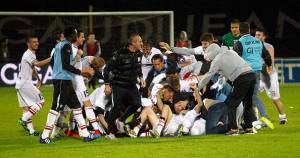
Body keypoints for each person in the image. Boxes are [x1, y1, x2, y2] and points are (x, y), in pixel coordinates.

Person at [40, 27, 96, 144]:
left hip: (65, 79)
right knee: (56, 107)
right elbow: (66, 65)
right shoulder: (66, 46)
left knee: (76, 105)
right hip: (62, 79)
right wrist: (81, 72)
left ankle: (85, 135)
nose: (76, 36)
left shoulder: (59, 46)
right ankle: (44, 136)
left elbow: (53, 61)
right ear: (71, 36)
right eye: (75, 34)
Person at [198, 43, 257, 135]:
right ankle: (249, 128)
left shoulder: (217, 60)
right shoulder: (230, 52)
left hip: (241, 78)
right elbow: (228, 69)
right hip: (251, 75)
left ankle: (233, 129)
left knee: (231, 104)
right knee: (247, 103)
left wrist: (197, 88)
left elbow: (208, 76)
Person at [103, 33, 145, 139]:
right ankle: (109, 133)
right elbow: (106, 69)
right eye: (139, 41)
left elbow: (138, 68)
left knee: (137, 104)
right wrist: (107, 84)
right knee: (116, 108)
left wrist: (141, 78)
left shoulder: (139, 53)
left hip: (131, 85)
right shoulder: (119, 54)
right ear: (132, 43)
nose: (141, 43)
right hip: (118, 85)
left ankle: (121, 120)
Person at [233, 22, 274, 129]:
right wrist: (269, 64)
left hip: (245, 72)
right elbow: (266, 54)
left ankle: (264, 116)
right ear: (249, 30)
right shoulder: (258, 41)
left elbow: (235, 58)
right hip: (257, 71)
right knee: (250, 97)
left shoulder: (239, 42)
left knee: (248, 96)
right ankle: (250, 120)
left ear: (239, 31)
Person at [16, 34, 52, 136]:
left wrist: (38, 78)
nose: (36, 43)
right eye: (34, 42)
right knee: (41, 101)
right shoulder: (28, 54)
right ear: (28, 43)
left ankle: (31, 131)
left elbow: (32, 67)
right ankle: (23, 119)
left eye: (37, 41)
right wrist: (51, 58)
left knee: (26, 108)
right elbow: (37, 64)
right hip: (25, 83)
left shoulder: (31, 54)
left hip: (20, 83)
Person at [255, 28, 287, 124]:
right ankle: (256, 119)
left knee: (275, 98)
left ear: (264, 37)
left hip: (269, 77)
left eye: (259, 35)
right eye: (256, 35)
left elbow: (270, 62)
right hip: (258, 77)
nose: (257, 37)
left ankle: (283, 117)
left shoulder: (268, 46)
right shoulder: (253, 47)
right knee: (251, 96)